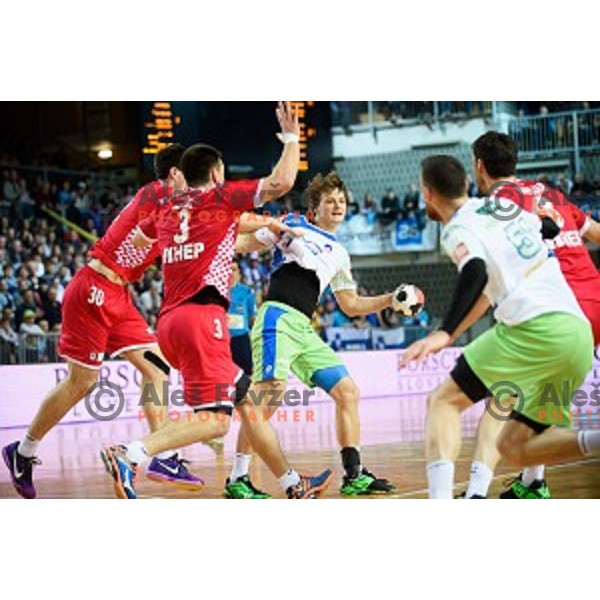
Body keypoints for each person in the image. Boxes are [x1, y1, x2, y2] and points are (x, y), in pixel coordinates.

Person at [100, 102, 333, 500]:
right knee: (214, 422)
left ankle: (294, 485)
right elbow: (280, 183)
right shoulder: (220, 199)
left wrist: (262, 237)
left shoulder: (168, 210)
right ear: (216, 173)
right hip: (201, 317)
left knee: (249, 401)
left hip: (170, 322)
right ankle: (132, 454)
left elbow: (149, 240)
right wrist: (292, 139)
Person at [1, 144, 205, 499]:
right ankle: (23, 452)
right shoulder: (157, 195)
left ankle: (163, 455)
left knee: (158, 369)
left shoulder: (171, 208)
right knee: (83, 382)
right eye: (192, 176)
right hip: (93, 290)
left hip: (119, 296)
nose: (197, 185)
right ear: (174, 174)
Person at [400, 155, 596, 499]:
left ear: (427, 193)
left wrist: (443, 332)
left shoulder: (457, 228)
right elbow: (548, 228)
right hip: (577, 335)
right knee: (516, 448)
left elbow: (474, 270)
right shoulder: (500, 207)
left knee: (443, 401)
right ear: (466, 183)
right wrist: (452, 334)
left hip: (537, 329)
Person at [224, 171, 412, 499]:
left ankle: (354, 474)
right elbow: (243, 241)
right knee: (265, 399)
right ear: (315, 208)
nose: (338, 205)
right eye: (330, 201)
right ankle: (238, 478)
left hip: (304, 329)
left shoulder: (340, 253)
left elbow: (350, 305)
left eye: (341, 201)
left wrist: (389, 299)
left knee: (347, 391)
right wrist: (220, 232)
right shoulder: (294, 222)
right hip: (277, 318)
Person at [459, 131, 600, 499]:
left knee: (502, 396)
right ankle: (533, 482)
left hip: (559, 304)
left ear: (479, 165)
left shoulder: (497, 201)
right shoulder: (550, 192)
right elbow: (595, 233)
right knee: (544, 399)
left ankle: (475, 492)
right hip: (594, 298)